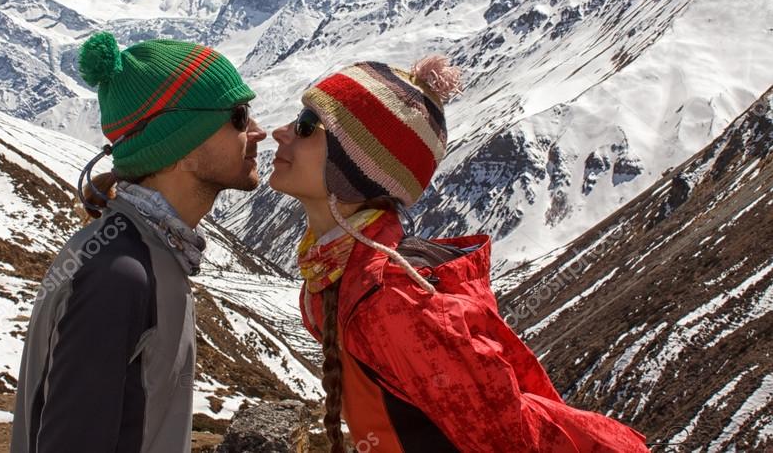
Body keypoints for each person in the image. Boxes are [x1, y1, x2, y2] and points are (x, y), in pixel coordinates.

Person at [269, 56, 649, 452]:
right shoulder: (339, 275)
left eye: (306, 125)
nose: (281, 132)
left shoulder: (392, 299)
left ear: (353, 169)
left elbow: (508, 441)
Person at [11, 32, 266, 453]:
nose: (257, 131)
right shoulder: (119, 276)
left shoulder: (136, 253)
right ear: (180, 146)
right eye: (239, 117)